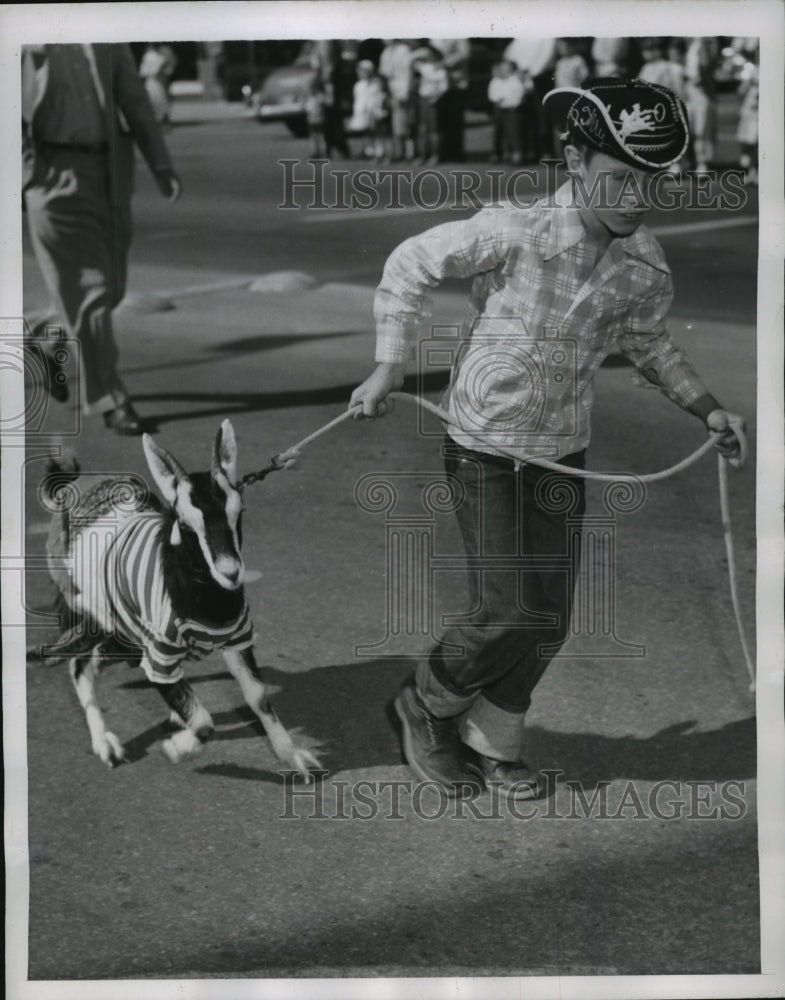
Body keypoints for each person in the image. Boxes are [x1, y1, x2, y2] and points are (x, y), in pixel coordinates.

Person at [349, 78, 747, 800]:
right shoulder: (516, 230)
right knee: (504, 609)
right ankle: (426, 706)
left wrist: (706, 409)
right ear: (574, 158)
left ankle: (493, 739)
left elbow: (650, 343)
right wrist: (387, 366)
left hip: (562, 450)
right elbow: (410, 262)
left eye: (648, 182)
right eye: (619, 178)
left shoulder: (642, 264)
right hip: (484, 444)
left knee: (548, 618)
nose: (634, 197)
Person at [22, 43, 182, 435]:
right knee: (92, 290)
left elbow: (133, 96)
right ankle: (111, 399)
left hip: (109, 171)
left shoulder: (106, 30)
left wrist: (160, 162)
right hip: (51, 173)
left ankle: (47, 338)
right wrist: (23, 175)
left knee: (111, 288)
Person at [379, 39, 415, 162]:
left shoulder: (404, 50)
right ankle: (398, 152)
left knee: (406, 123)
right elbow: (384, 72)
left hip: (403, 89)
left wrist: (405, 92)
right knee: (395, 124)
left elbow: (407, 73)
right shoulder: (386, 51)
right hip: (392, 90)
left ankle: (409, 153)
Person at [411, 46, 449, 164]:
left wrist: (435, 98)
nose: (431, 59)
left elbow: (444, 88)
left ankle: (435, 155)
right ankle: (422, 156)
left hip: (435, 101)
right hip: (423, 100)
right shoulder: (424, 67)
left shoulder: (442, 71)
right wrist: (422, 52)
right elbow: (412, 61)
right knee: (423, 129)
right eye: (429, 57)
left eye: (433, 57)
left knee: (434, 130)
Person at [487, 59, 525, 164]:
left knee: (513, 131)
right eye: (502, 68)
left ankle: (516, 153)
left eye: (506, 68)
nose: (503, 70)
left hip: (512, 110)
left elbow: (518, 96)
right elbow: (493, 95)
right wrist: (498, 100)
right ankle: (498, 153)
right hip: (499, 109)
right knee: (498, 131)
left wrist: (507, 101)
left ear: (511, 70)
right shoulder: (496, 81)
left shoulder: (515, 81)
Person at [138, 43, 177, 127]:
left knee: (153, 100)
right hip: (158, 80)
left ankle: (156, 121)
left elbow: (143, 72)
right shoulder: (160, 56)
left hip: (151, 81)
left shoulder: (148, 56)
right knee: (162, 100)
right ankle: (163, 120)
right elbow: (166, 64)